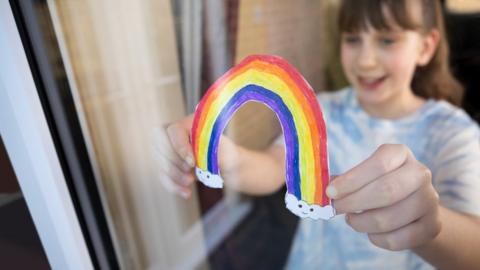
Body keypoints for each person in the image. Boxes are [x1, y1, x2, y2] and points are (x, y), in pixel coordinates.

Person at [153, 0, 480, 268]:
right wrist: (224, 155)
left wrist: (430, 222)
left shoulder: (454, 134)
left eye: (386, 39)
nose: (365, 60)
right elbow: (273, 167)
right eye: (352, 38)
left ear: (425, 47)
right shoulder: (322, 110)